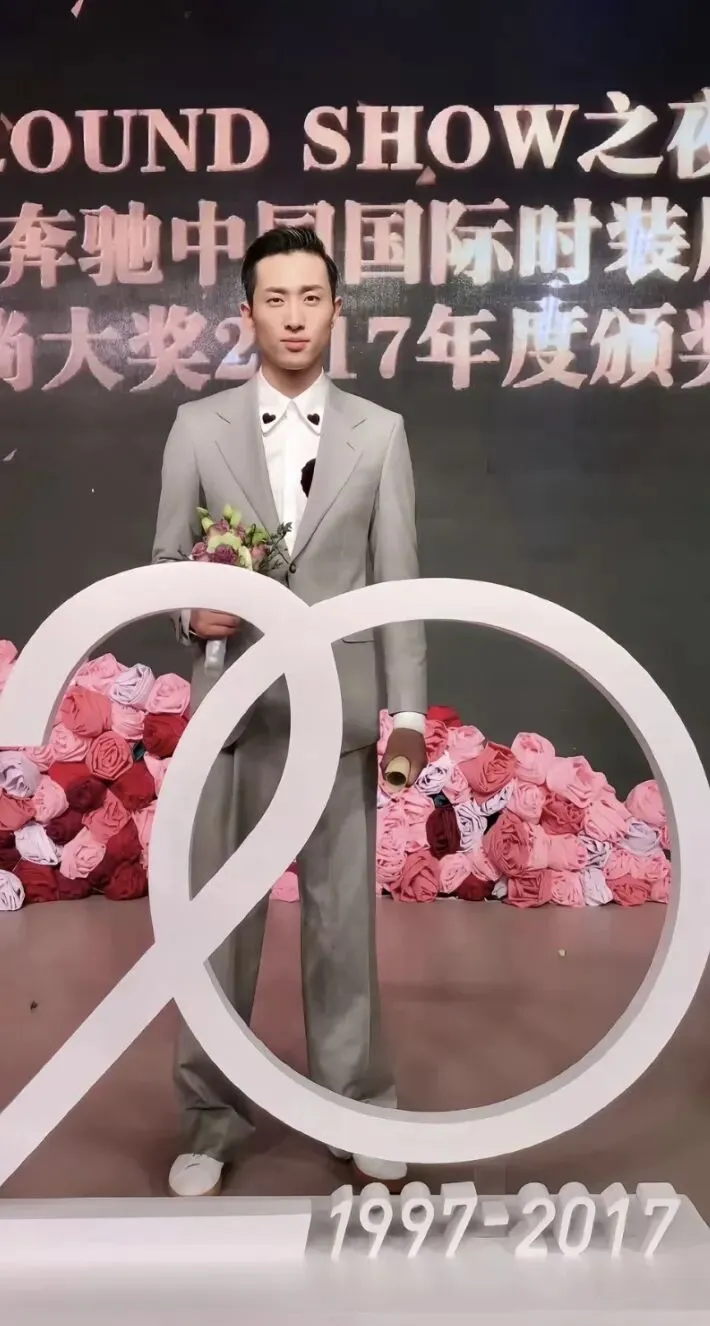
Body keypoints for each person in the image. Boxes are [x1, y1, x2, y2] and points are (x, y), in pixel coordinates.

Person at [153, 226, 427, 1196]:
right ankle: (209, 1120)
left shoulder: (379, 433)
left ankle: (356, 1106)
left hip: (337, 717)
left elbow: (398, 585)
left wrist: (405, 715)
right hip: (233, 717)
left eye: (311, 297)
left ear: (336, 310)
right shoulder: (196, 428)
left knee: (341, 928)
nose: (295, 316)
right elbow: (165, 563)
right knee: (215, 931)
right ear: (247, 313)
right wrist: (194, 611)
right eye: (276, 298)